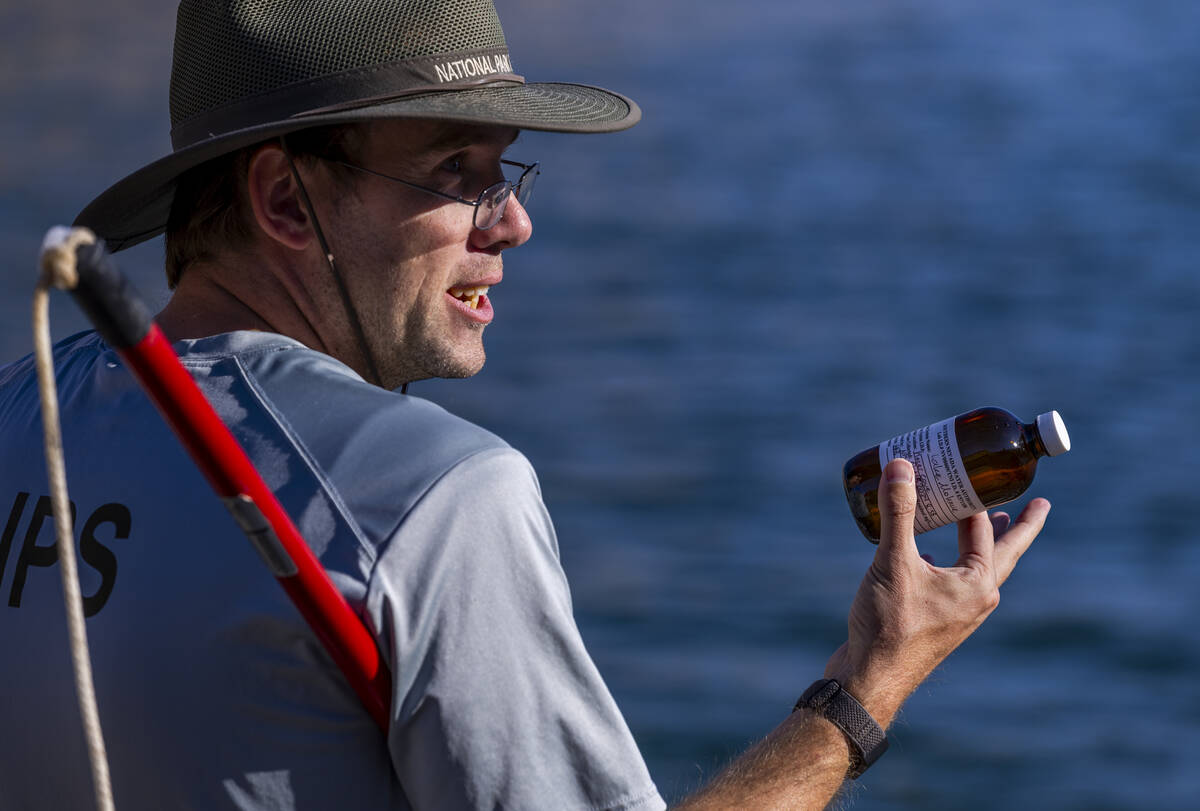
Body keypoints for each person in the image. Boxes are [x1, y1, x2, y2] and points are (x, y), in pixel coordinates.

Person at [0, 1, 1051, 809]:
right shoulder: (436, 497)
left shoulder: (13, 419)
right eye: (458, 172)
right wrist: (864, 690)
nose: (511, 228)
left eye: (508, 174)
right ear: (283, 199)